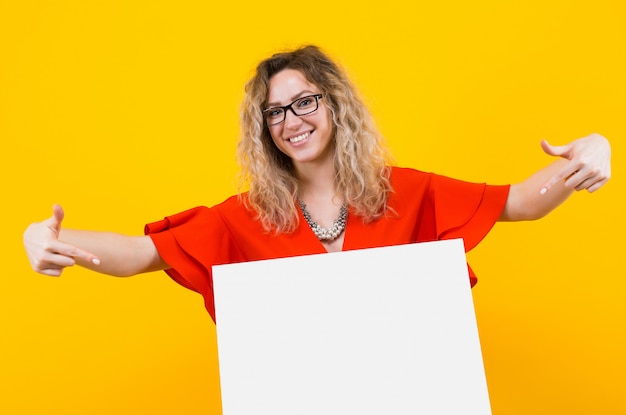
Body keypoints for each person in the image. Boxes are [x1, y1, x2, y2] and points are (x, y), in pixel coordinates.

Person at [23, 45, 611, 322]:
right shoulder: (245, 216)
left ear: (335, 104)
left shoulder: (406, 191)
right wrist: (57, 242)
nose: (291, 120)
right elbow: (138, 254)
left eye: (304, 101)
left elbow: (518, 203)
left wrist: (588, 154)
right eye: (274, 112)